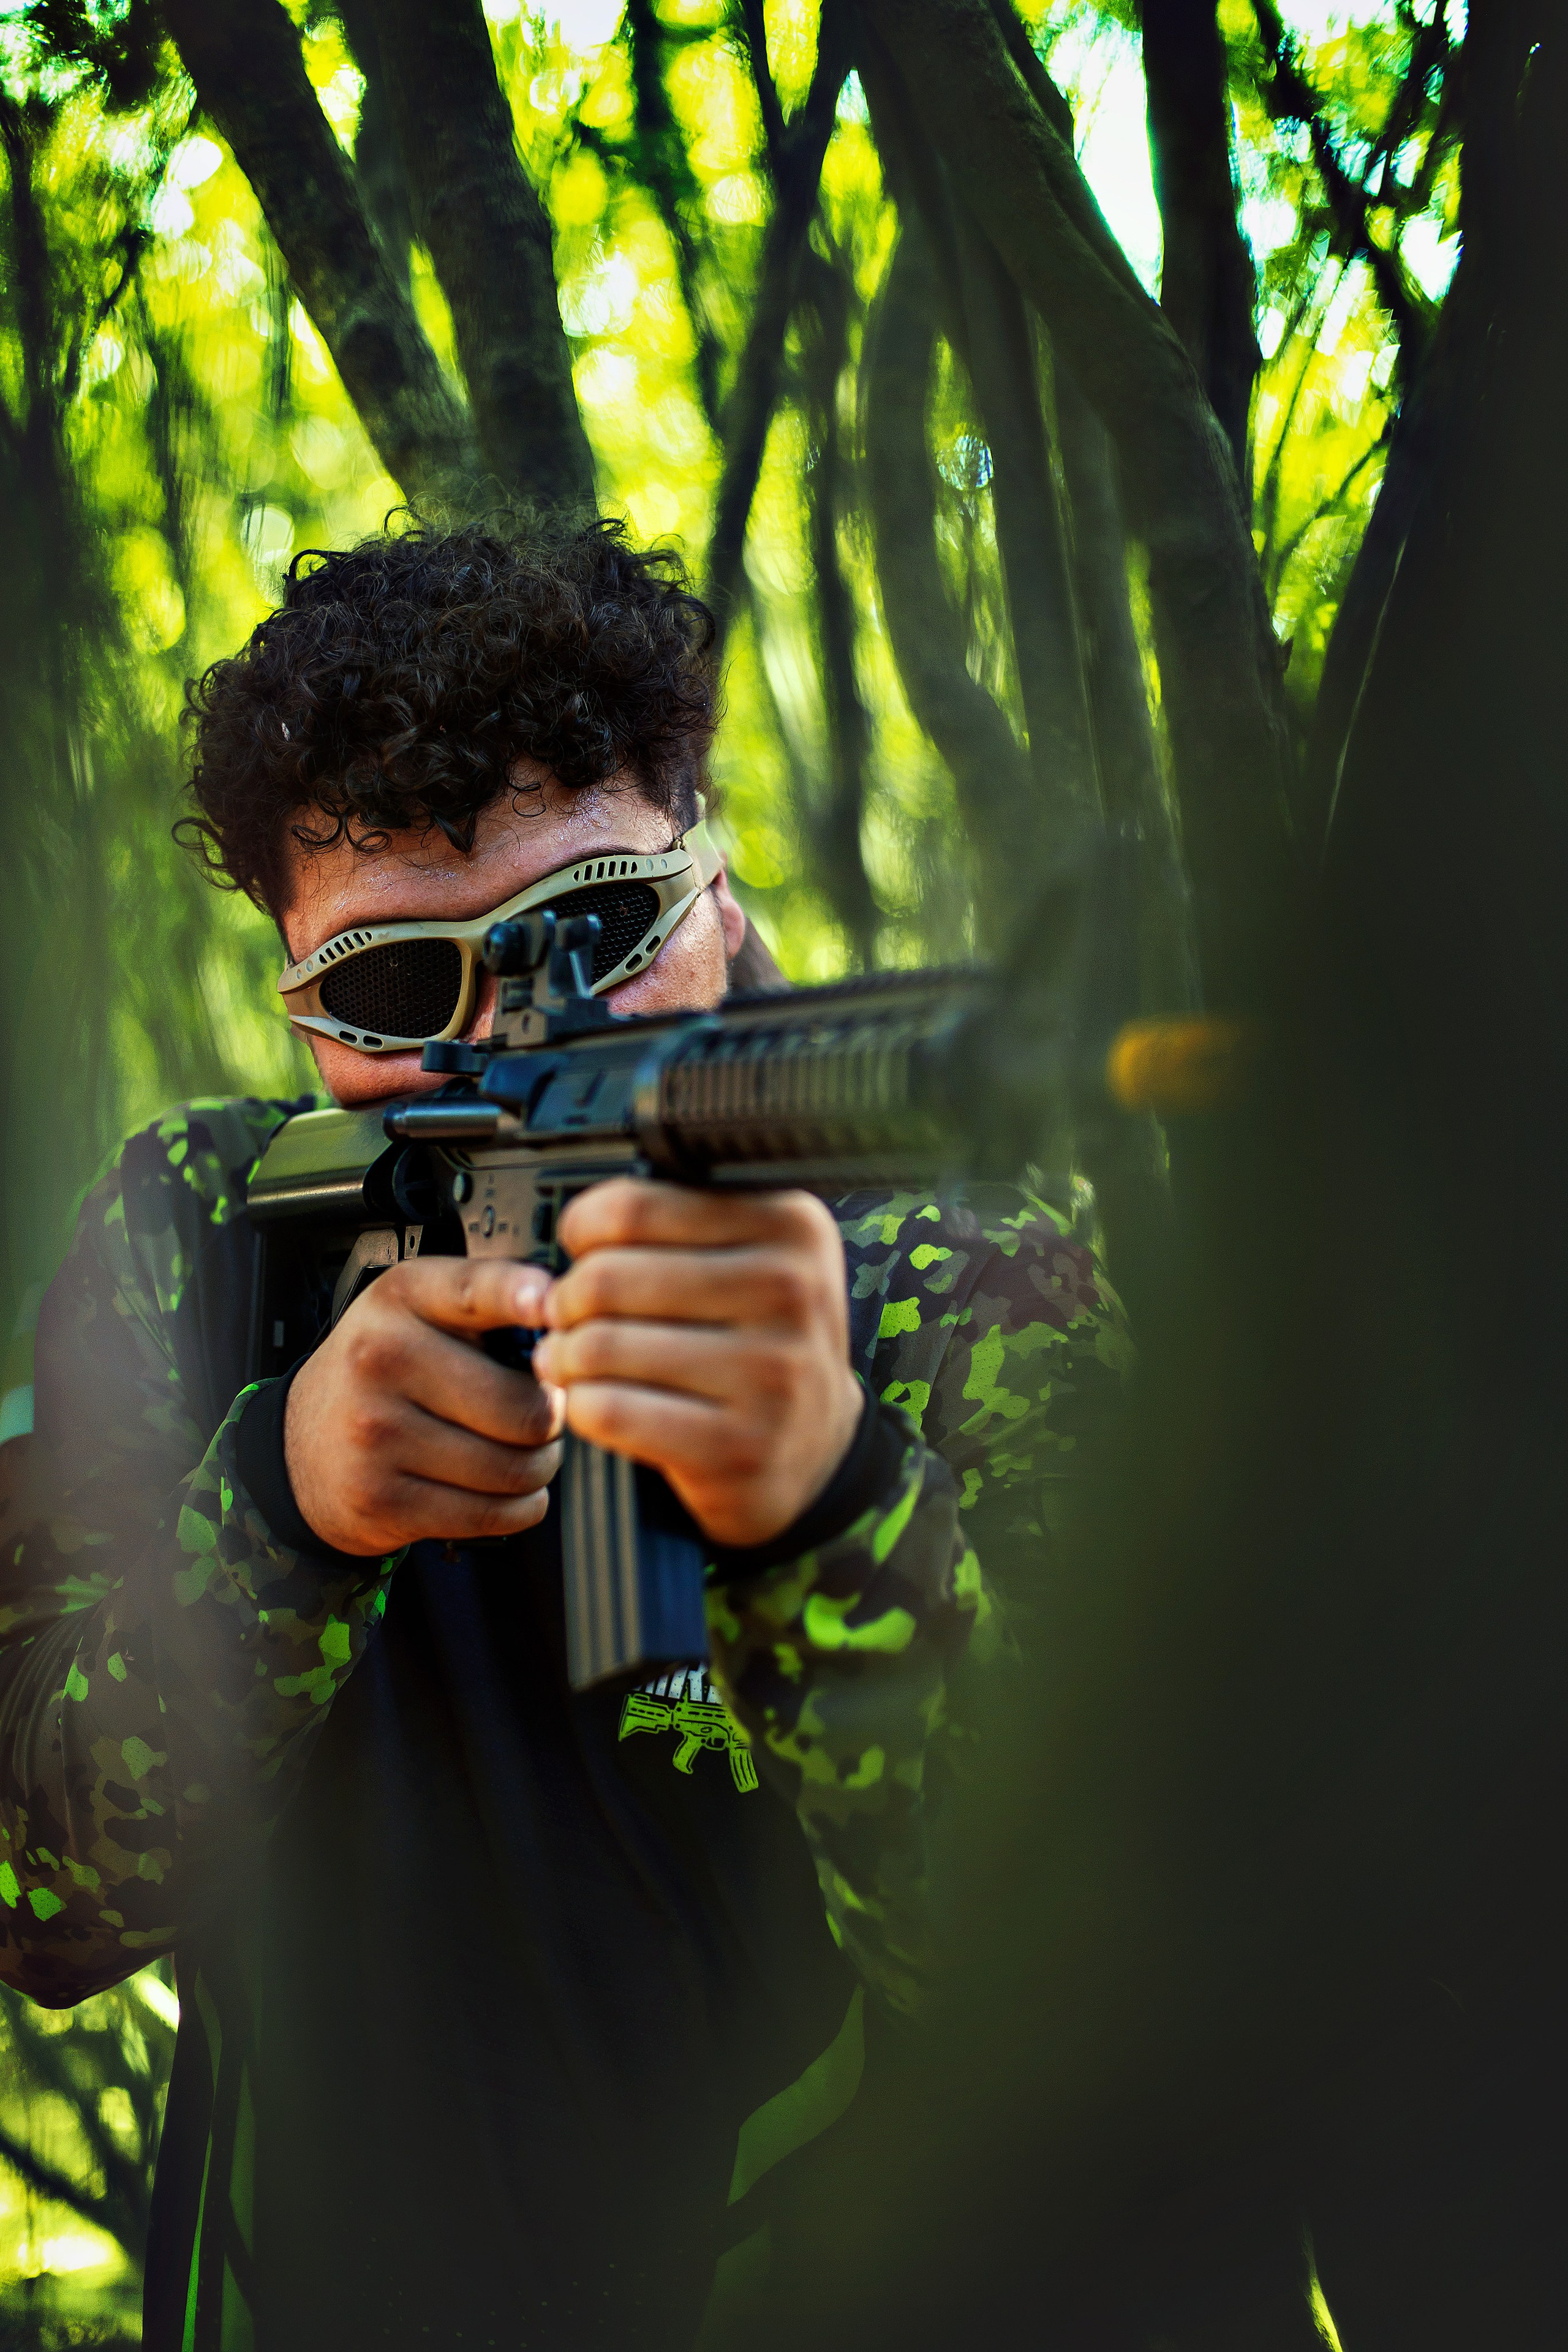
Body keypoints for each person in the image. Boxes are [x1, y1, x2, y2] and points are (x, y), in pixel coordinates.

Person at [0, 519, 1128, 2351]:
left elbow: (1105, 2003)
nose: (516, 1043)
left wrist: (822, 1502)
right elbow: (31, 1905)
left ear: (723, 897)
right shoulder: (193, 1240)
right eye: (391, 988)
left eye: (594, 927)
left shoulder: (953, 1268)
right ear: (298, 1002)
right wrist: (280, 1514)